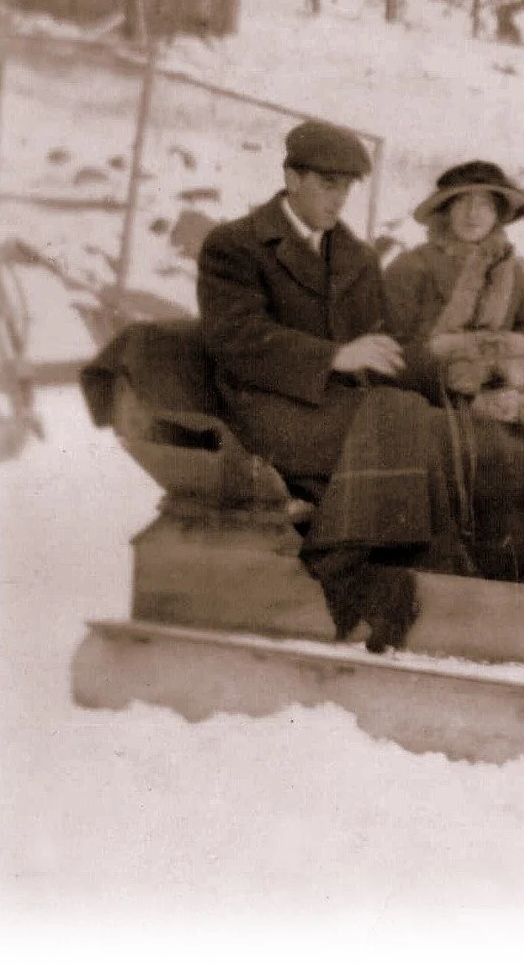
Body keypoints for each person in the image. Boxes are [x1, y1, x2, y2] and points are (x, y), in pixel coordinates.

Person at [196, 120, 420, 649]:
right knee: (391, 423)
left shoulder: (357, 257)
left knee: (420, 417)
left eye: (347, 187)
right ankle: (341, 571)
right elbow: (236, 338)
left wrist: (459, 371)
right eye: (327, 184)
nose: (339, 199)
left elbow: (383, 340)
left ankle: (387, 562)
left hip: (331, 407)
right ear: (291, 178)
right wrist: (335, 356)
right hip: (263, 407)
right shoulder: (235, 245)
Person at [383, 161, 524, 583]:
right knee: (482, 452)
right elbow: (390, 349)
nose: (473, 214)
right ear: (444, 211)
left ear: (499, 214)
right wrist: (455, 377)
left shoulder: (514, 274)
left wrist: (515, 388)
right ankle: (459, 571)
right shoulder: (412, 268)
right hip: (426, 398)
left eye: (484, 204)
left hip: (497, 399)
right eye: (463, 203)